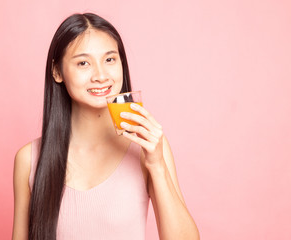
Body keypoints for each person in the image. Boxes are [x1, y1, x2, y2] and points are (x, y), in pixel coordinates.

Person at [12, 13, 199, 240]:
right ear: (57, 71)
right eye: (83, 63)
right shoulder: (29, 159)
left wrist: (157, 166)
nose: (101, 76)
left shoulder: (146, 147)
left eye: (110, 59)